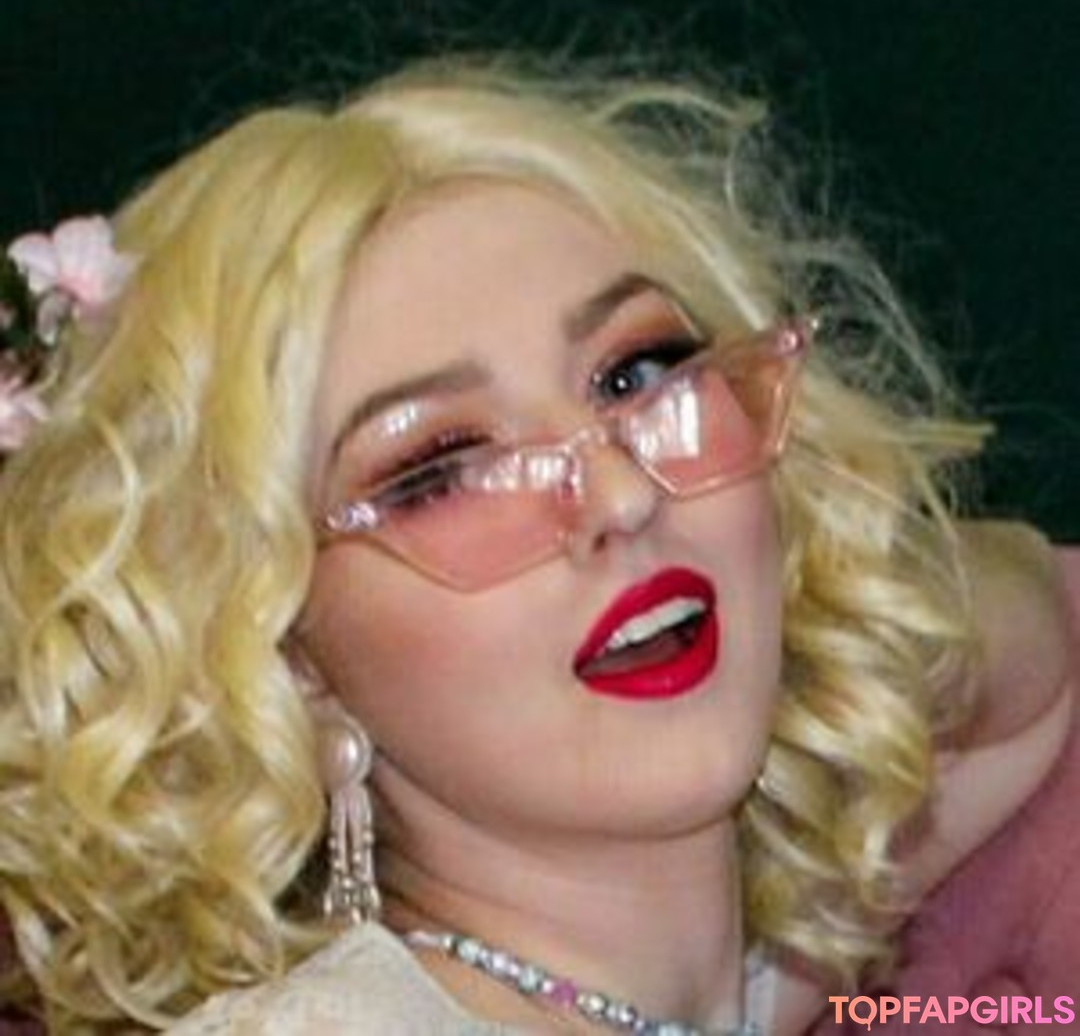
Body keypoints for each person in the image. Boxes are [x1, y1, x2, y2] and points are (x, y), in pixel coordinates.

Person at [0, 54, 1073, 1035]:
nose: (621, 493)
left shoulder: (726, 978)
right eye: (441, 469)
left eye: (638, 374)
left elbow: (1033, 636)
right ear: (284, 653)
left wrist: (824, 584)